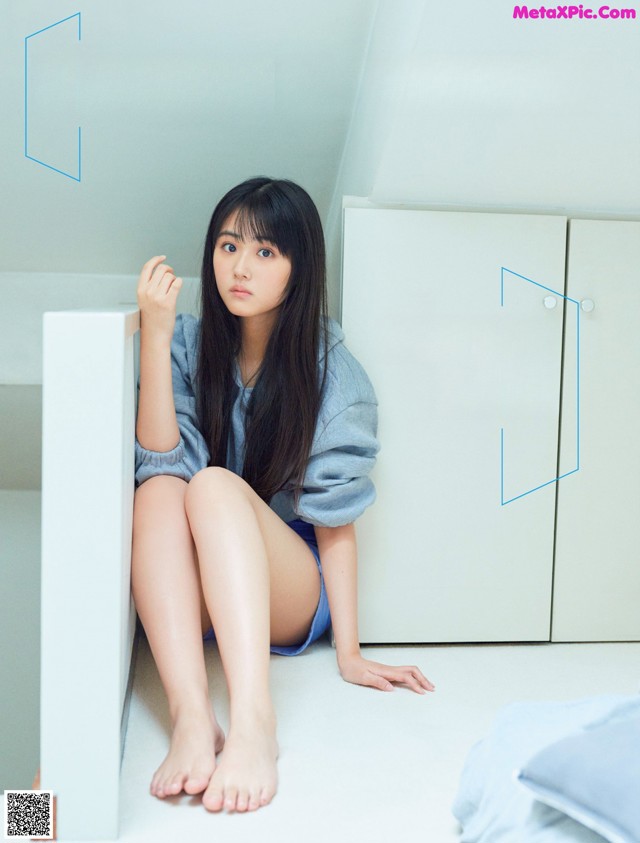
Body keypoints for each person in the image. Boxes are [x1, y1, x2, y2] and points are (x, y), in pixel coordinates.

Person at [132, 176, 435, 816]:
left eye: (266, 252)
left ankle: (252, 723)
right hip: (216, 567)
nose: (240, 267)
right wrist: (156, 340)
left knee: (211, 485)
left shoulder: (332, 372)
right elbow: (160, 460)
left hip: (292, 583)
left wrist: (349, 652)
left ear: (300, 269)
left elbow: (335, 521)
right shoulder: (191, 344)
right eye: (228, 245)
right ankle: (192, 720)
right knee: (160, 489)